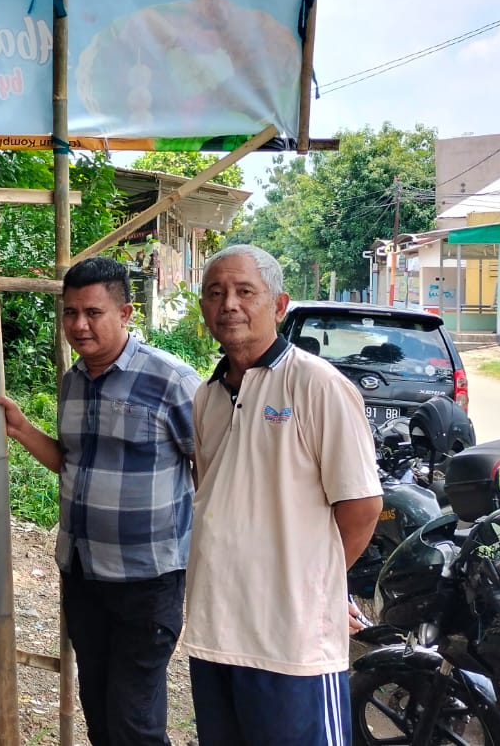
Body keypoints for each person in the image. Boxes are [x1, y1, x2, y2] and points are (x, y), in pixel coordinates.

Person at [0, 256, 200, 746]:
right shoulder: (74, 381)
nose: (79, 325)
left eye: (93, 313)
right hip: (84, 575)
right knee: (101, 716)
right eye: (70, 312)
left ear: (125, 313)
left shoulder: (172, 380)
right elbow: (74, 463)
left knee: (134, 722)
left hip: (147, 581)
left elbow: (210, 467)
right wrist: (22, 430)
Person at [183, 244, 383, 746]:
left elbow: (361, 507)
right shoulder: (206, 396)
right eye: (215, 293)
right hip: (216, 633)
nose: (229, 304)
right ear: (204, 307)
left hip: (293, 645)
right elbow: (213, 493)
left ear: (278, 305)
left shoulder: (316, 386)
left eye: (244, 291)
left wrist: (315, 585)